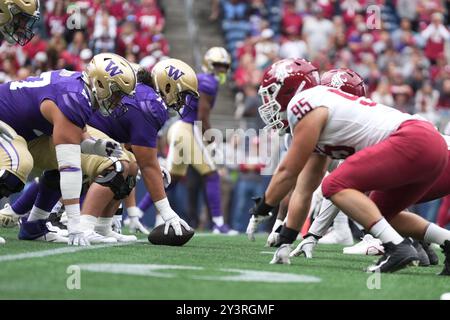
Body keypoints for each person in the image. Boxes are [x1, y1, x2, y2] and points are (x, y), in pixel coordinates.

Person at [249, 58, 450, 273]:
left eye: (271, 92)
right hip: (428, 143)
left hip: (415, 139)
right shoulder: (320, 113)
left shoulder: (304, 103)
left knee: (335, 184)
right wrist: (286, 240)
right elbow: (304, 189)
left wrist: (262, 209)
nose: (268, 101)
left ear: (291, 88)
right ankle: (446, 241)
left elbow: (288, 171)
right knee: (378, 211)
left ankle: (398, 247)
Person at [0, 53, 137, 245]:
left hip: (28, 134)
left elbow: (79, 140)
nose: (118, 101)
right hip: (4, 123)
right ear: (99, 83)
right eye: (116, 93)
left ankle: (35, 225)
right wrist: (75, 227)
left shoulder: (80, 91)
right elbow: (69, 168)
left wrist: (98, 147)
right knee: (18, 165)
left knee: (78, 158)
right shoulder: (74, 97)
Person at [137, 47, 238, 234]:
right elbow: (202, 116)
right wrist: (212, 142)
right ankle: (218, 224)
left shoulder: (202, 79)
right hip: (188, 129)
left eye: (224, 66)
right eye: (217, 65)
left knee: (171, 178)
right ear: (209, 64)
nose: (221, 70)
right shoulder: (208, 82)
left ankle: (138, 213)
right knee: (212, 174)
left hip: (179, 128)